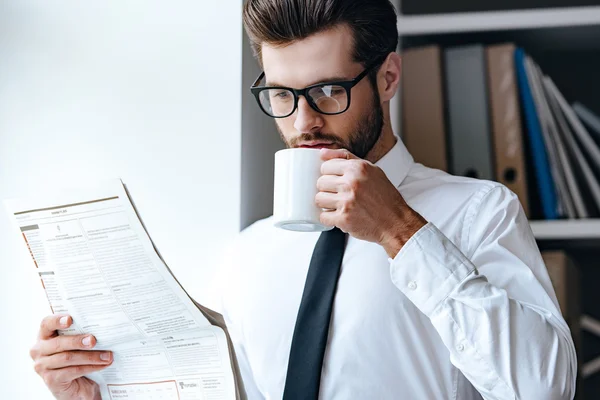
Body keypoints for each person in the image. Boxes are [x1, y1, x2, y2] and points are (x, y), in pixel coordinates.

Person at [30, 0, 577, 399]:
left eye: (329, 91)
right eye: (281, 96)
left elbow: (544, 387)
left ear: (387, 77)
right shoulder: (246, 254)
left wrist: (401, 232)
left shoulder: (479, 212)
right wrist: (95, 389)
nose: (303, 121)